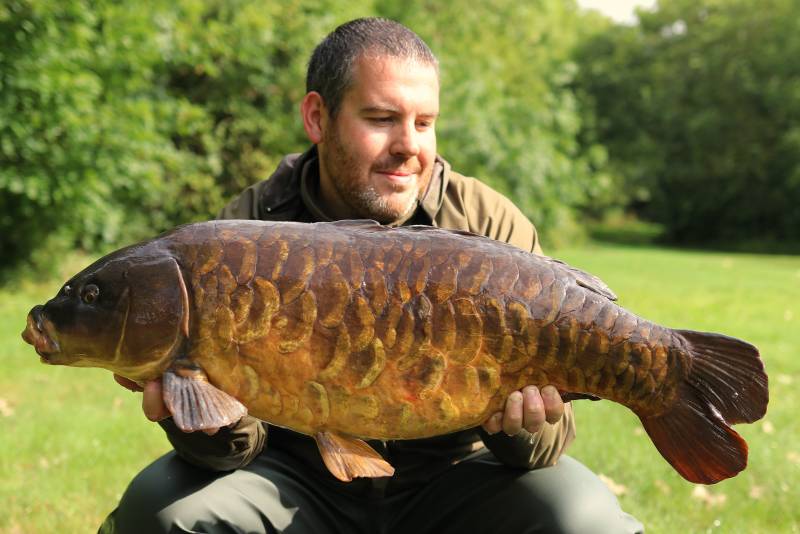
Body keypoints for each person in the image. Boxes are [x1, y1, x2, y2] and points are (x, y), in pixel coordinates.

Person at [100, 18, 644, 534]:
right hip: (297, 480)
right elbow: (235, 451)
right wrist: (208, 417)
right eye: (382, 119)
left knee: (582, 517)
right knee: (161, 510)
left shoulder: (488, 224)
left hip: (455, 478)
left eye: (424, 123)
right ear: (317, 117)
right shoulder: (247, 232)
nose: (410, 145)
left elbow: (547, 449)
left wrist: (527, 428)